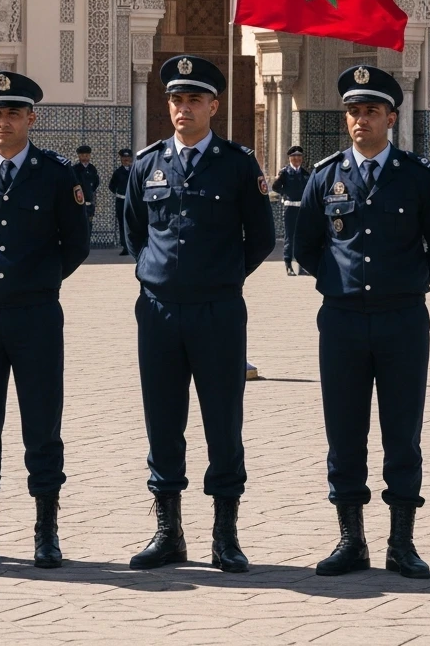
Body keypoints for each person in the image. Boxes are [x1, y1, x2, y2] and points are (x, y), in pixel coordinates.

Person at [294, 65, 430, 578]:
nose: (360, 119)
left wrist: (405, 282)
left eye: (370, 110)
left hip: (402, 320)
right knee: (344, 431)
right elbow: (306, 247)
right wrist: (341, 285)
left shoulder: (416, 175)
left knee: (402, 431)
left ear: (392, 115)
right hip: (341, 321)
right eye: (353, 111)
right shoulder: (325, 176)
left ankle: (401, 543)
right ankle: (351, 540)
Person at [123, 55, 274, 573]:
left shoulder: (237, 164)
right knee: (163, 422)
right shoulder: (148, 164)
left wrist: (221, 276)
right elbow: (136, 232)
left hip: (218, 312)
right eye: (175, 100)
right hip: (160, 312)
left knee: (222, 422)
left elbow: (262, 238)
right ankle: (168, 532)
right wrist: (162, 275)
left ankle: (225, 536)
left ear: (214, 105)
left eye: (193, 99)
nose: (182, 108)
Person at [0, 71, 90, 569]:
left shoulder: (55, 173)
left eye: (12, 113)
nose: (2, 122)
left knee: (41, 424)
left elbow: (76, 244)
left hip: (35, 316)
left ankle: (45, 532)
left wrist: (37, 280)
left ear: (32, 117)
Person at [273, 146, 309, 276]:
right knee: (290, 237)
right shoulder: (285, 172)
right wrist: (285, 193)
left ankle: (302, 266)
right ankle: (288, 265)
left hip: (302, 208)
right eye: (294, 157)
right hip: (290, 208)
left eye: (299, 157)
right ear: (290, 158)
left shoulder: (305, 173)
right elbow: (275, 187)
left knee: (302, 237)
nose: (297, 159)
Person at [108, 148, 134, 255]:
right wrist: (119, 193)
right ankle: (125, 246)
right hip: (121, 201)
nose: (126, 160)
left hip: (132, 201)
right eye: (124, 158)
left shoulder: (135, 171)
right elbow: (111, 186)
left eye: (128, 158)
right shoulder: (118, 172)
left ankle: (133, 246)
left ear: (131, 159)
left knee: (133, 223)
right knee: (122, 224)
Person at [73, 145, 100, 225]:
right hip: (78, 203)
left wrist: (90, 191)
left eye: (87, 155)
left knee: (89, 224)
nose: (85, 158)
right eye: (82, 156)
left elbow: (96, 183)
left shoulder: (92, 169)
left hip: (89, 202)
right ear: (79, 156)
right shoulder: (75, 169)